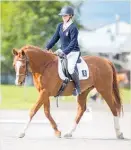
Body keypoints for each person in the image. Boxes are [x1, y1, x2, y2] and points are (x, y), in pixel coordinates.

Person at [46, 6, 81, 95]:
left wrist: (64, 52)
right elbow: (55, 38)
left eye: (65, 16)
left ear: (70, 16)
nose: (63, 17)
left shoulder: (73, 28)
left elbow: (73, 44)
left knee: (70, 69)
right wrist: (47, 47)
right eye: (62, 16)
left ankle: (78, 87)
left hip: (73, 52)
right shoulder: (60, 26)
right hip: (62, 51)